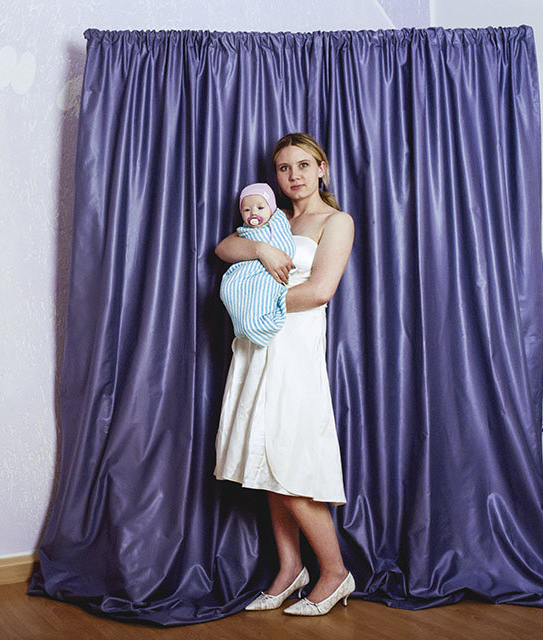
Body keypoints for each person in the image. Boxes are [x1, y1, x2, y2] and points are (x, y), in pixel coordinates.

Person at [214, 133, 355, 617]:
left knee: (289, 456)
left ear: (322, 168)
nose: (293, 175)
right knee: (267, 459)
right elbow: (224, 247)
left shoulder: (336, 221)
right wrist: (261, 251)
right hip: (257, 349)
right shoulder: (270, 220)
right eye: (282, 168)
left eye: (302, 165)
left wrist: (260, 306)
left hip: (292, 346)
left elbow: (319, 291)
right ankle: (290, 569)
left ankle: (335, 572)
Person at [219, 182, 295, 347]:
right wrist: (261, 249)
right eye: (246, 210)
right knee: (229, 288)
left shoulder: (279, 224)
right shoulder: (250, 230)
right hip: (247, 277)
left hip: (294, 319)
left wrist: (271, 300)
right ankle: (249, 323)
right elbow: (221, 249)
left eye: (260, 208)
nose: (253, 213)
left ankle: (257, 322)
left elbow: (320, 293)